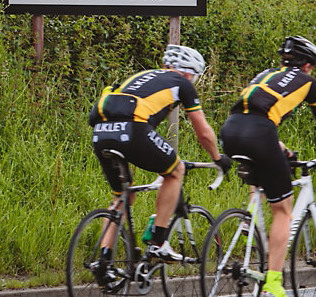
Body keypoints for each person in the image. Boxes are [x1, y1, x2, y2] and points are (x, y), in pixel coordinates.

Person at [220, 36, 316, 297]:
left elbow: (251, 113)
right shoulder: (308, 82)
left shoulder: (266, 74)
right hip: (260, 134)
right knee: (283, 210)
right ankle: (273, 284)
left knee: (263, 178)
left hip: (230, 132)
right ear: (308, 65)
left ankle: (251, 228)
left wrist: (281, 148)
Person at [88, 45, 231, 270]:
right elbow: (202, 131)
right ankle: (158, 242)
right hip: (132, 130)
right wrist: (217, 157)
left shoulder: (140, 76)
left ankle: (104, 261)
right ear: (187, 72)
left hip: (101, 133)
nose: (192, 82)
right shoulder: (182, 83)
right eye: (194, 77)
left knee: (122, 198)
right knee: (175, 171)